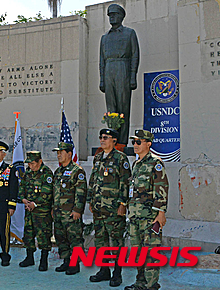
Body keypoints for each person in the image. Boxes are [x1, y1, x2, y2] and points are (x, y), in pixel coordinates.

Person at [125, 130, 169, 290]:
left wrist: (161, 212)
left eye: (138, 142)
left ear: (148, 144)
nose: (135, 145)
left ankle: (151, 285)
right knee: (137, 253)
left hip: (150, 218)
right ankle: (140, 283)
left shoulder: (155, 163)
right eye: (134, 142)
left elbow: (162, 187)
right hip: (135, 217)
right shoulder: (136, 164)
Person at [88, 129, 131, 287]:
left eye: (105, 138)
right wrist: (90, 200)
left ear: (114, 140)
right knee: (100, 241)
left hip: (113, 209)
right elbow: (93, 180)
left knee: (116, 242)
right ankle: (104, 270)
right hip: (98, 208)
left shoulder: (121, 158)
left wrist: (122, 203)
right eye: (100, 137)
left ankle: (117, 273)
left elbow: (126, 182)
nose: (102, 140)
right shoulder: (98, 158)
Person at [99, 3, 140, 145]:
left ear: (122, 16)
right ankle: (112, 140)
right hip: (109, 69)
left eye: (115, 15)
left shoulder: (129, 33)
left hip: (123, 68)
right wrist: (102, 79)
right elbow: (101, 60)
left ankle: (122, 141)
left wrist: (133, 76)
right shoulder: (104, 38)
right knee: (111, 109)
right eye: (110, 15)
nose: (112, 18)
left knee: (123, 108)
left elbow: (135, 55)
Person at [52, 142, 87, 275]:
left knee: (74, 238)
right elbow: (54, 192)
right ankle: (66, 261)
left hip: (71, 213)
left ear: (69, 154)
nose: (58, 155)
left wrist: (77, 210)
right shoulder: (58, 171)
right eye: (57, 152)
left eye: (61, 152)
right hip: (58, 212)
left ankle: (75, 264)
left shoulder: (77, 171)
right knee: (61, 238)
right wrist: (53, 208)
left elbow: (81, 192)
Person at [17, 151, 54, 271]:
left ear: (40, 162)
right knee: (28, 234)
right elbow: (21, 187)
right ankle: (29, 257)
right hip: (29, 210)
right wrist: (24, 199)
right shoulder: (27, 173)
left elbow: (47, 193)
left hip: (42, 212)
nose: (30, 166)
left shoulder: (46, 173)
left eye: (33, 163)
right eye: (29, 164)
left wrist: (35, 204)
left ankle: (44, 261)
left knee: (43, 236)